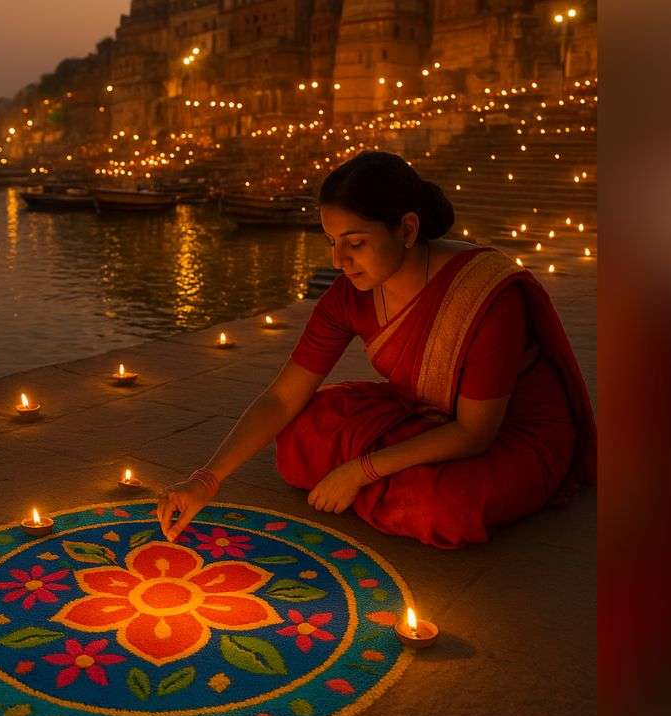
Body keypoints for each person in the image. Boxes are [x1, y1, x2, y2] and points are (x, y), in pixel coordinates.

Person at [156, 151, 596, 549]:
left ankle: (381, 485)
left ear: (406, 229)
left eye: (356, 242)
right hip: (423, 411)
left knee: (442, 507)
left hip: (508, 433)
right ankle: (386, 482)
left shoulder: (486, 296)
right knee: (299, 435)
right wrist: (206, 480)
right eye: (331, 241)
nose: (339, 260)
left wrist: (358, 471)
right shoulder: (349, 295)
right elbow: (281, 397)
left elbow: (475, 432)